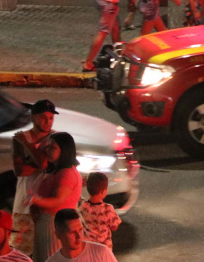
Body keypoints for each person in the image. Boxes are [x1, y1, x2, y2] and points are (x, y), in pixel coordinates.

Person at [10, 99, 58, 256]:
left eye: (51, 118)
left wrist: (29, 147)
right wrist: (39, 162)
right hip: (23, 203)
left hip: (46, 202)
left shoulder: (56, 139)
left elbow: (45, 164)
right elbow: (20, 170)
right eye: (43, 117)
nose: (47, 122)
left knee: (46, 251)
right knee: (20, 251)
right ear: (33, 117)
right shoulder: (19, 139)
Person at [28, 132, 84, 262]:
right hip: (46, 224)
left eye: (52, 147)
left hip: (54, 226)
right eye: (48, 146)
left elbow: (58, 200)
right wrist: (35, 205)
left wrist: (35, 201)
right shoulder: (55, 170)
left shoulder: (68, 174)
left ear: (64, 150)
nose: (47, 150)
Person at [46, 209, 117, 262]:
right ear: (58, 235)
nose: (78, 236)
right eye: (72, 232)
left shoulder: (101, 253)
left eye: (80, 230)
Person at [78, 172, 122, 250]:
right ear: (102, 191)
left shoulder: (82, 206)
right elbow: (114, 226)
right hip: (104, 250)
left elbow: (76, 195)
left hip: (88, 248)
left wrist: (80, 185)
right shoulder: (108, 209)